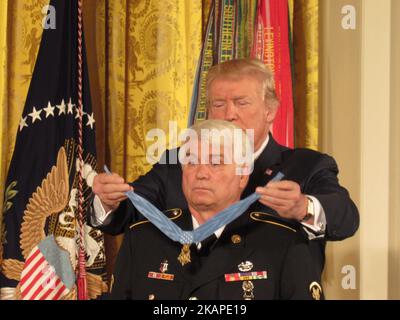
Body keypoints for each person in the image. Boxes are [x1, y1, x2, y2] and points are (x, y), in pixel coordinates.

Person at [91, 58, 359, 273]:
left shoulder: (305, 165)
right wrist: (107, 200)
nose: (230, 114)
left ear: (270, 111)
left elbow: (346, 218)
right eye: (219, 104)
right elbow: (127, 213)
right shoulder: (179, 162)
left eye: (241, 103)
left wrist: (302, 207)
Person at [110, 120, 323, 300]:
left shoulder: (283, 242)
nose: (201, 173)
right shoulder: (142, 239)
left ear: (242, 176)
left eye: (215, 163)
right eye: (191, 162)